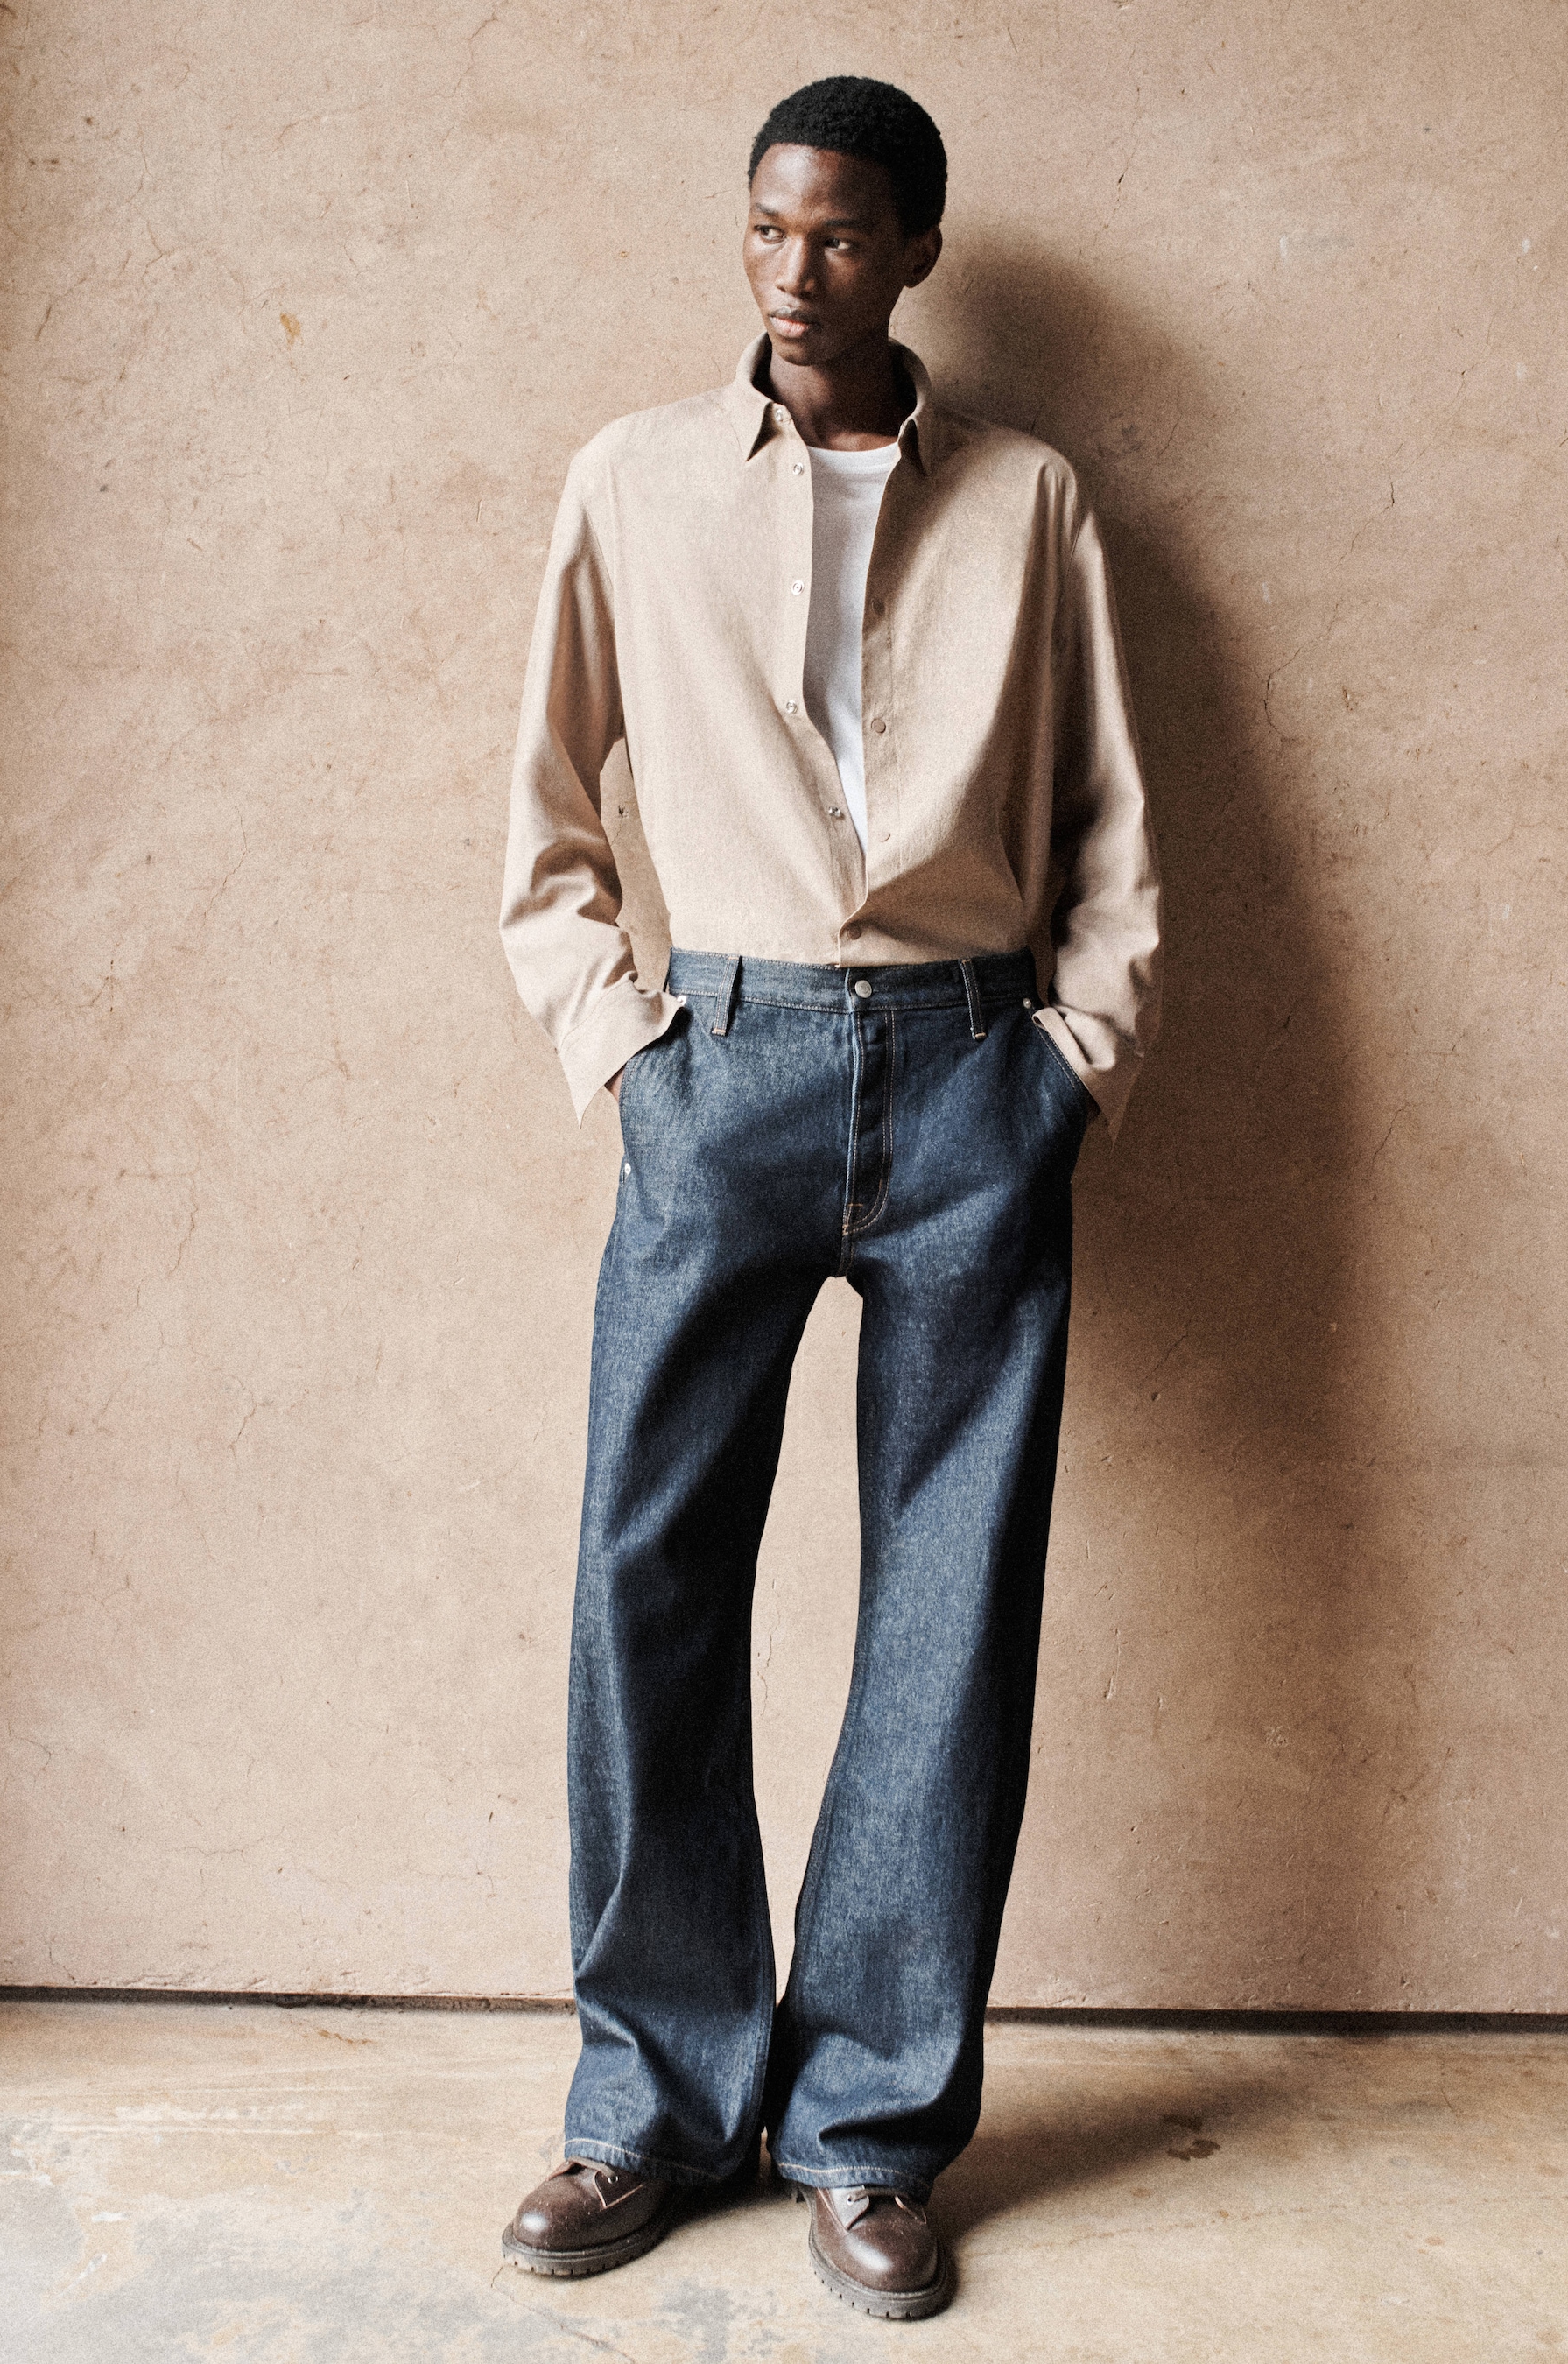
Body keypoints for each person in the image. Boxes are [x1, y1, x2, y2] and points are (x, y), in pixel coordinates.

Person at [496, 74, 1161, 2321]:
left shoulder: (1033, 500)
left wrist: (1073, 1055)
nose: (799, 268)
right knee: (645, 1572)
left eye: (846, 234)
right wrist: (626, 1047)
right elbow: (548, 828)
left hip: (977, 1071)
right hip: (731, 1067)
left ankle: (870, 2128)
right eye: (771, 227)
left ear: (917, 251)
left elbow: (1109, 824)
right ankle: (648, 2105)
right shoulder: (634, 483)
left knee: (950, 1610)